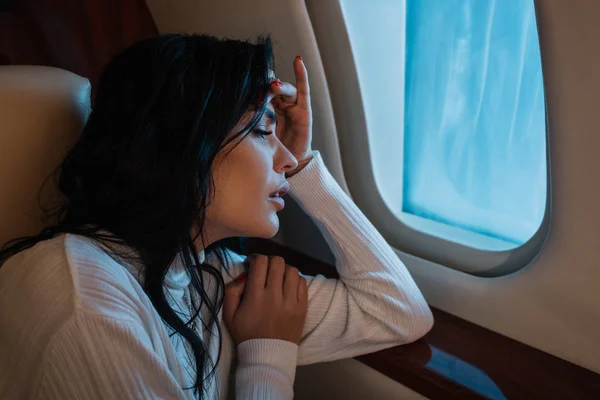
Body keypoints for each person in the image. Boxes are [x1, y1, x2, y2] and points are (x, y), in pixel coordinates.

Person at [0, 34, 433, 400]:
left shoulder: (210, 276)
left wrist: (305, 168)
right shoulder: (84, 302)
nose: (285, 158)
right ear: (184, 139)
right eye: (264, 131)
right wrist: (267, 352)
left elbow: (398, 311)